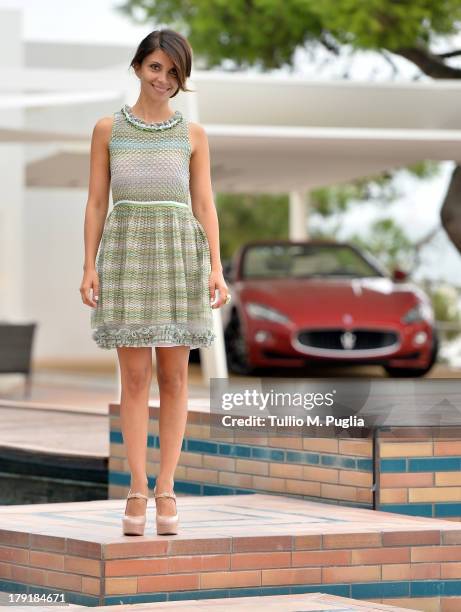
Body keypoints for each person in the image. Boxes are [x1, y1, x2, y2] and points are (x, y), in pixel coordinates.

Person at [79, 29, 230, 536]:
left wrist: (216, 265)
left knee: (176, 377)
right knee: (135, 379)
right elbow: (97, 202)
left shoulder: (193, 136)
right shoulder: (107, 130)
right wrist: (88, 264)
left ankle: (167, 490)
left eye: (173, 72)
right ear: (138, 67)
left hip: (179, 257)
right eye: (155, 68)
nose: (163, 79)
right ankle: (137, 489)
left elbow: (204, 204)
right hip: (125, 256)